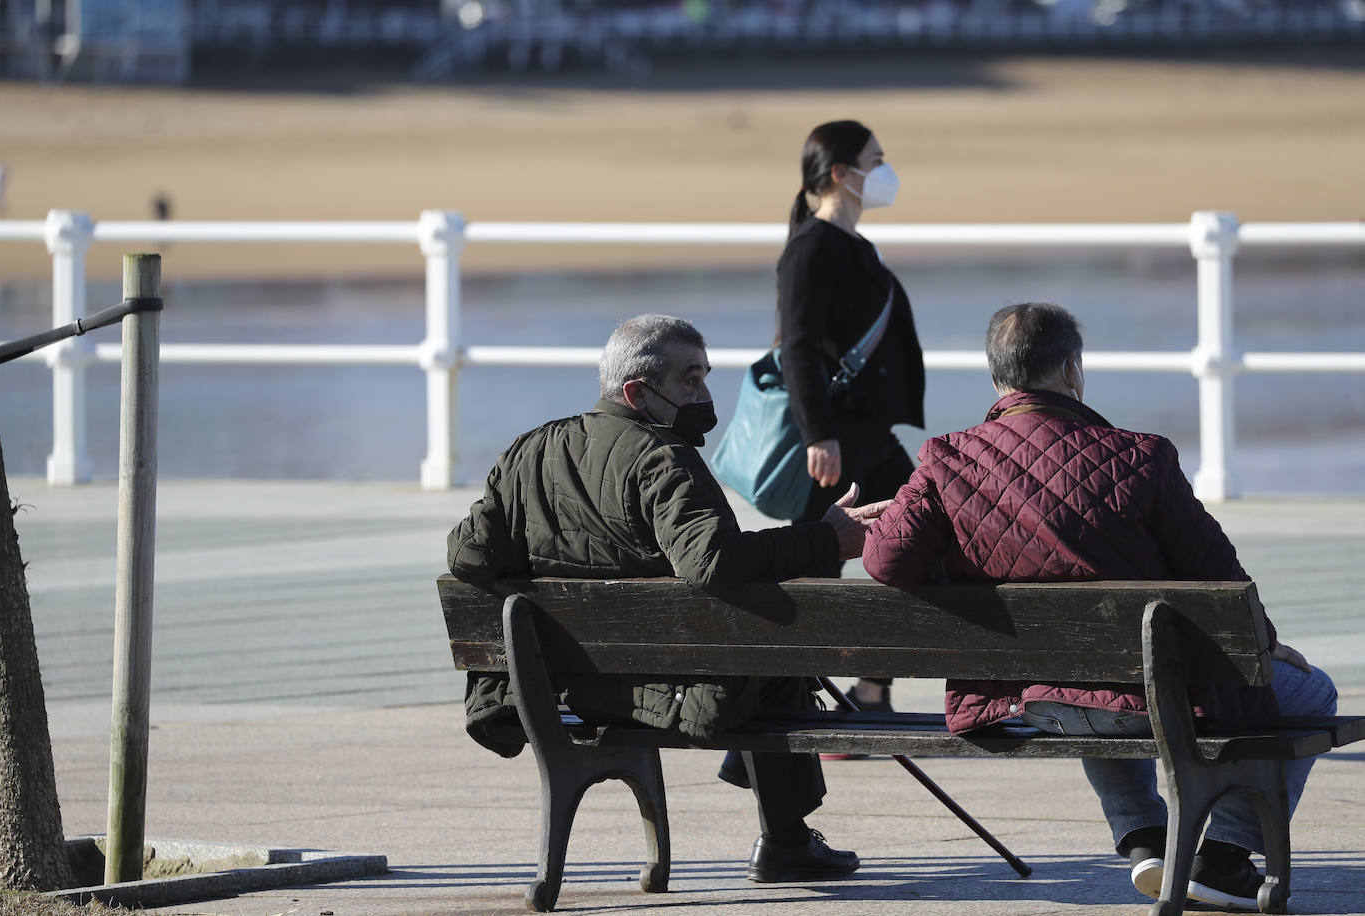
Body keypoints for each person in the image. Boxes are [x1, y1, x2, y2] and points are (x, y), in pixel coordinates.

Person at [862, 302, 1337, 911]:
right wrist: (1264, 646)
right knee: (1313, 692)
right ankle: (1221, 857)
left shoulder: (945, 460)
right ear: (1071, 369)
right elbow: (1221, 580)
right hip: (1143, 695)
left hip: (1026, 700)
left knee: (1087, 674)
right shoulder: (1142, 456)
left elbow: (885, 564)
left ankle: (1147, 842)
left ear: (995, 375)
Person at [448, 313, 892, 884]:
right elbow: (712, 562)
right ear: (636, 391)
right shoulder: (662, 457)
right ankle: (786, 840)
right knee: (781, 663)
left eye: (704, 377)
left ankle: (784, 830)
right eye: (689, 381)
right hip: (672, 690)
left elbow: (468, 556)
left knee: (769, 661)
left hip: (559, 689)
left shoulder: (528, 452)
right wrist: (826, 537)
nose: (704, 394)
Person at [777, 119, 926, 717]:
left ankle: (862, 694)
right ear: (842, 172)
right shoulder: (810, 248)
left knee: (900, 545)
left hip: (867, 434)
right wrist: (819, 435)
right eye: (875, 158)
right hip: (840, 437)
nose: (884, 169)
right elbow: (797, 348)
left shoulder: (856, 247)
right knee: (826, 565)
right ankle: (828, 698)